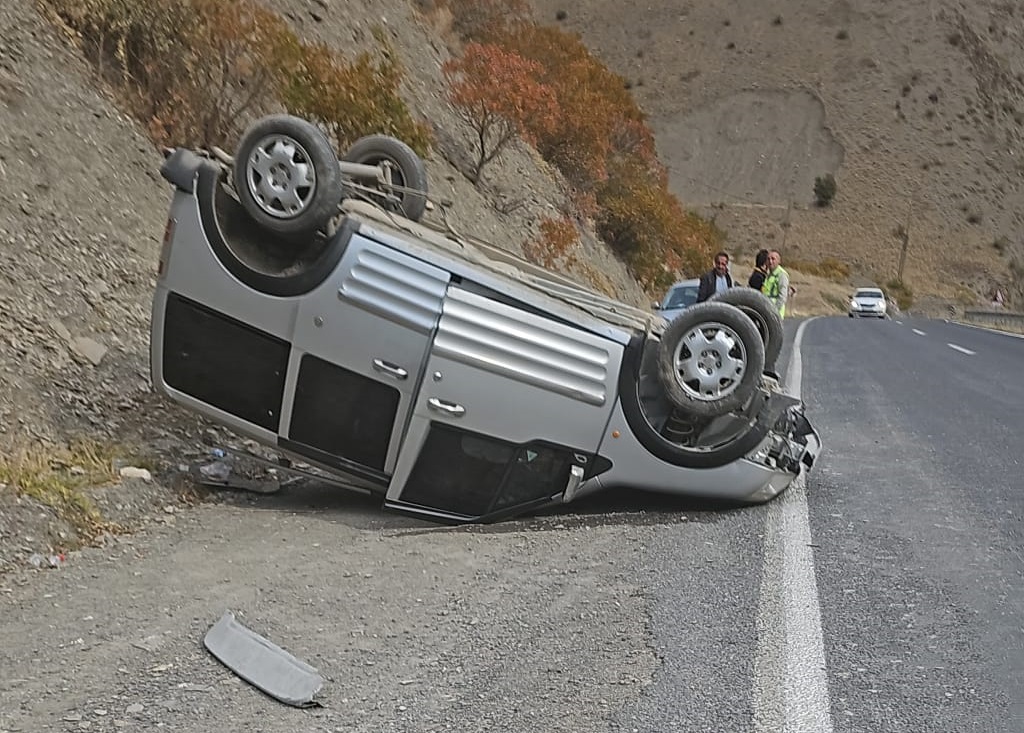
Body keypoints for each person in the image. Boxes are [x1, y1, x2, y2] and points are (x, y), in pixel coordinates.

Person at [761, 249, 790, 317]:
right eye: (768, 259)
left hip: (775, 314)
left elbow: (782, 296)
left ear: (779, 261)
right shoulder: (769, 275)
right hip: (766, 311)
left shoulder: (781, 275)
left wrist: (774, 310)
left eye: (773, 259)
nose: (770, 261)